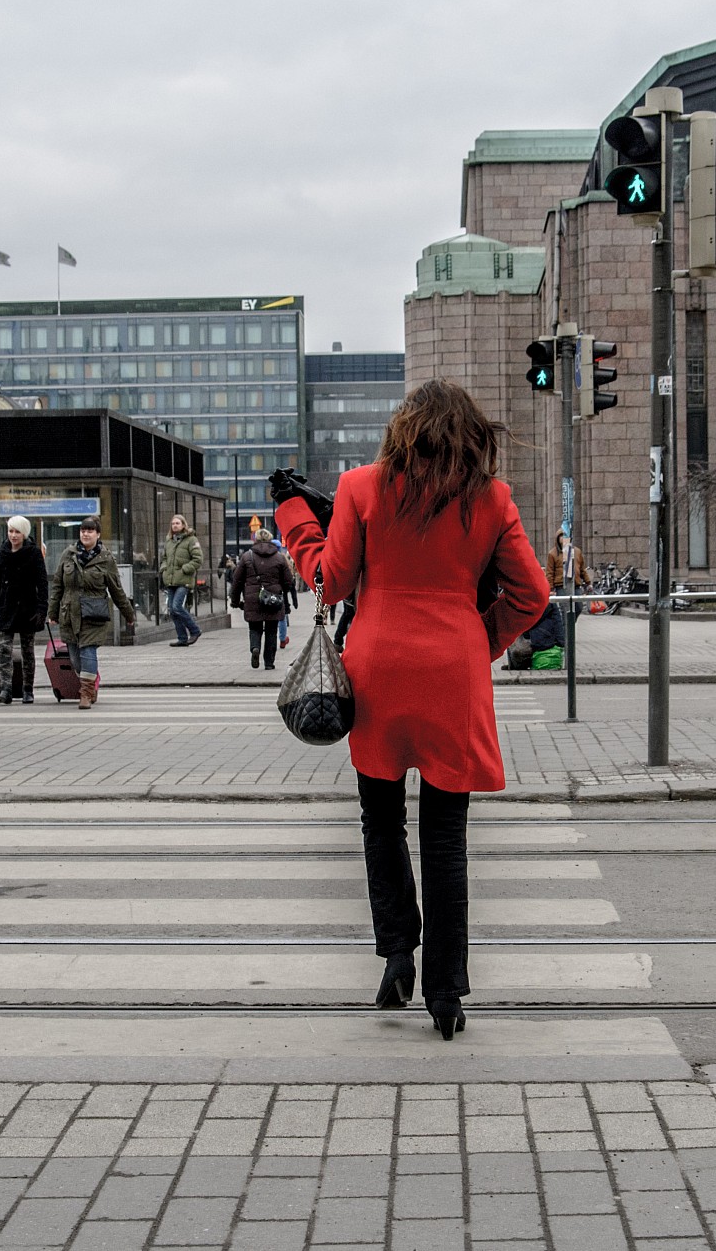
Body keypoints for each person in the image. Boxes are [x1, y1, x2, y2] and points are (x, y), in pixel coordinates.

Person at [270, 378, 548, 1040]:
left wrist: (295, 518)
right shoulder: (491, 498)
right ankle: (445, 993)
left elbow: (330, 582)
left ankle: (398, 955)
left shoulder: (363, 487)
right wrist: (481, 639)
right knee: (446, 839)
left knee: (380, 820)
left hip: (379, 673)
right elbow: (532, 594)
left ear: (403, 428)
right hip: (453, 676)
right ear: (469, 435)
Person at [49, 519, 136, 709]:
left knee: (88, 652)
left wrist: (129, 614)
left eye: (90, 531)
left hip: (93, 614)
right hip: (70, 614)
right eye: (83, 530)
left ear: (98, 534)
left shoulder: (106, 559)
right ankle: (91, 680)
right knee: (75, 659)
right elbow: (58, 585)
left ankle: (86, 694)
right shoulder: (68, 554)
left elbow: (116, 590)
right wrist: (52, 612)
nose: (85, 534)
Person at [0, 515, 49, 704]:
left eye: (17, 532)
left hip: (27, 607)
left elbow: (42, 583)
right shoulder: (2, 551)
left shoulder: (33, 553)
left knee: (27, 650)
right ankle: (5, 689)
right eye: (11, 531)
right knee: (4, 649)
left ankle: (28, 689)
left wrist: (42, 608)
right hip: (6, 606)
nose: (13, 535)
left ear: (24, 533)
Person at [232, 530, 298, 670]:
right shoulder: (279, 558)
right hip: (273, 599)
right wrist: (281, 590)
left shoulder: (247, 557)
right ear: (270, 540)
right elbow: (288, 581)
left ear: (255, 540)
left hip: (252, 599)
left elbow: (237, 581)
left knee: (254, 628)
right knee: (271, 631)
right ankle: (269, 663)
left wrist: (235, 601)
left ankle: (255, 648)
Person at [162, 514, 205, 646]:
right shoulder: (169, 541)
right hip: (171, 580)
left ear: (183, 525)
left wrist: (185, 569)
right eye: (173, 523)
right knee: (172, 610)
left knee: (177, 607)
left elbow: (198, 559)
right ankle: (182, 638)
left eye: (177, 523)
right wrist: (164, 569)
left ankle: (195, 630)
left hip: (184, 580)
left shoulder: (191, 540)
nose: (175, 526)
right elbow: (164, 558)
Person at [546, 530, 590, 609]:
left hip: (575, 584)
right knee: (565, 608)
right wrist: (551, 589)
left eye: (566, 536)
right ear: (558, 538)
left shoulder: (577, 551)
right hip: (561, 585)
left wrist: (588, 582)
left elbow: (582, 569)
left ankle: (571, 618)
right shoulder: (552, 553)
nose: (564, 538)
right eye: (561, 536)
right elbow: (550, 572)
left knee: (579, 606)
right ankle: (565, 617)